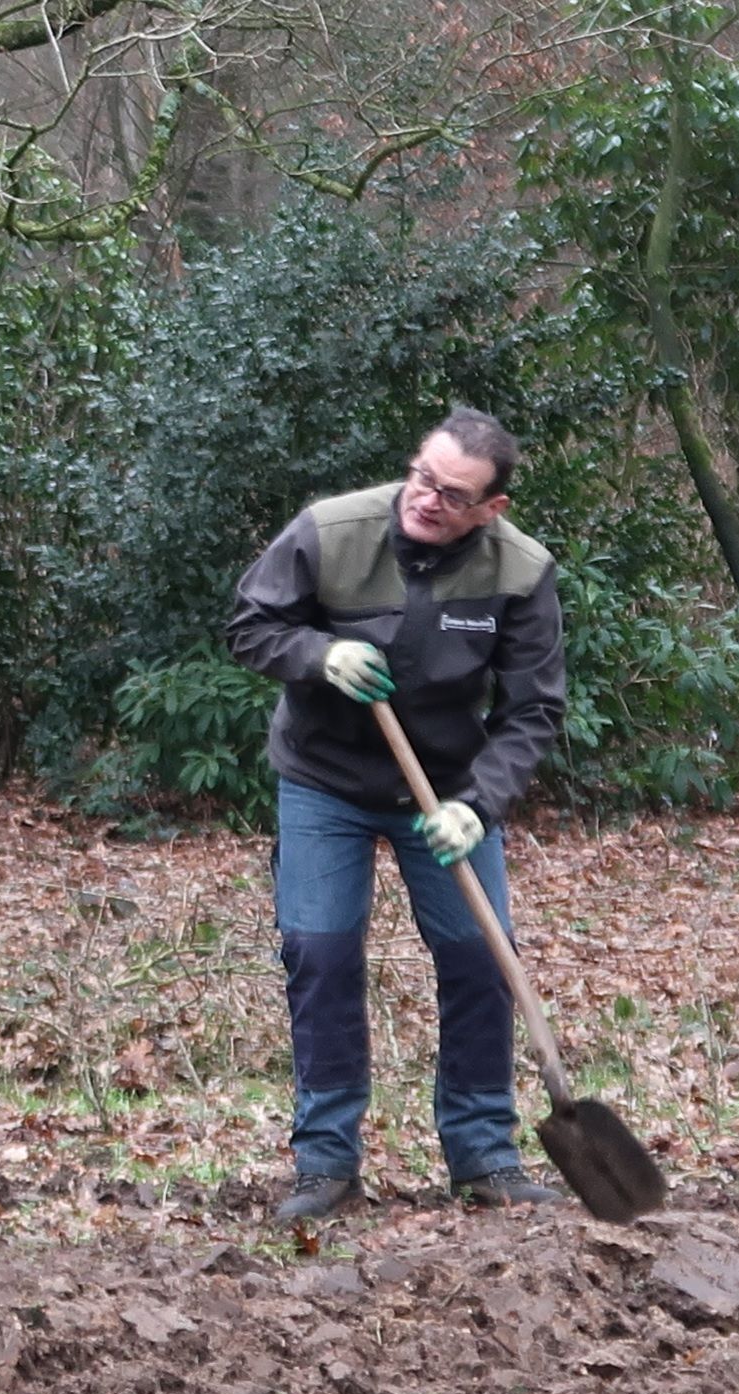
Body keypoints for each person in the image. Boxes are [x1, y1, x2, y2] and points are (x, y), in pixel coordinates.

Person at [226, 407, 570, 1221]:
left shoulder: (520, 572)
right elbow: (249, 624)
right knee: (319, 954)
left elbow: (532, 710)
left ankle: (484, 1153)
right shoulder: (330, 531)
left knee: (479, 958)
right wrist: (318, 654)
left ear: (492, 509)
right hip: (323, 779)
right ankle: (325, 1162)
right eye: (421, 477)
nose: (425, 500)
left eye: (452, 495)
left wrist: (477, 805)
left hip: (446, 790)